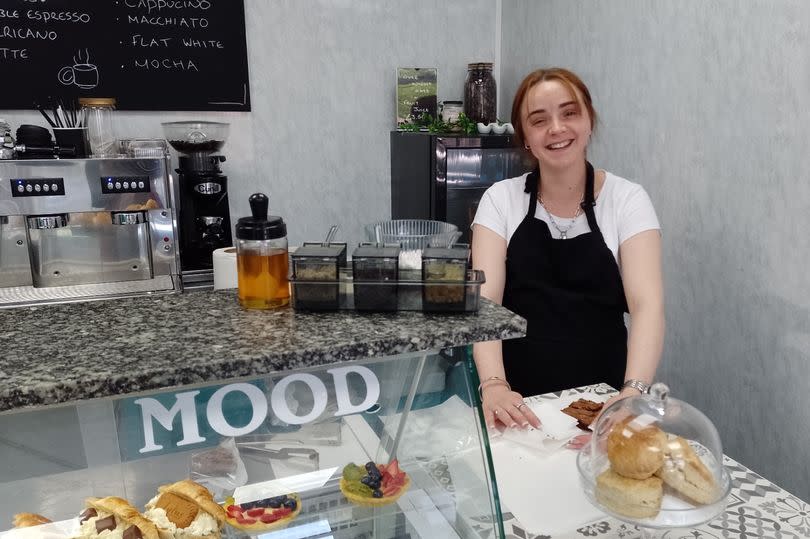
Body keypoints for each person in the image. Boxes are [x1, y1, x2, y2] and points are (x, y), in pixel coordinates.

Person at [471, 68, 664, 430]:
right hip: (516, 403)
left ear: (590, 120)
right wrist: (494, 385)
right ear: (525, 136)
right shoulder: (500, 200)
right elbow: (485, 304)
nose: (557, 128)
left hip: (605, 404)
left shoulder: (627, 200)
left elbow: (647, 305)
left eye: (570, 113)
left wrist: (633, 391)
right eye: (539, 120)